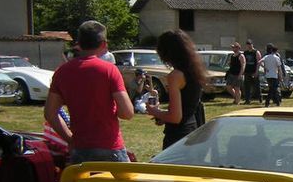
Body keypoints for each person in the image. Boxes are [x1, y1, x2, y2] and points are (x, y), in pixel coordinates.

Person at [45, 19, 133, 163]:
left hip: (80, 149)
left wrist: (69, 138)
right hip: (110, 148)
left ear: (78, 43)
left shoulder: (62, 72)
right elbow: (127, 113)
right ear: (104, 44)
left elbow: (50, 113)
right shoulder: (109, 70)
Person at [146, 30, 208, 150]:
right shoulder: (195, 72)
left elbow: (175, 117)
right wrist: (163, 116)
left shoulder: (175, 76)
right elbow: (186, 108)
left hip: (178, 136)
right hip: (193, 129)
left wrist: (154, 111)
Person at [241, 39, 262, 104]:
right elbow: (243, 62)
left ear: (252, 44)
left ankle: (260, 99)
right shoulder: (245, 53)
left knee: (257, 86)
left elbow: (259, 62)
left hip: (254, 71)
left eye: (250, 44)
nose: (249, 46)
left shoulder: (256, 52)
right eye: (248, 44)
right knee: (247, 86)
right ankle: (247, 100)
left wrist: (256, 71)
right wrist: (243, 71)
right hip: (247, 71)